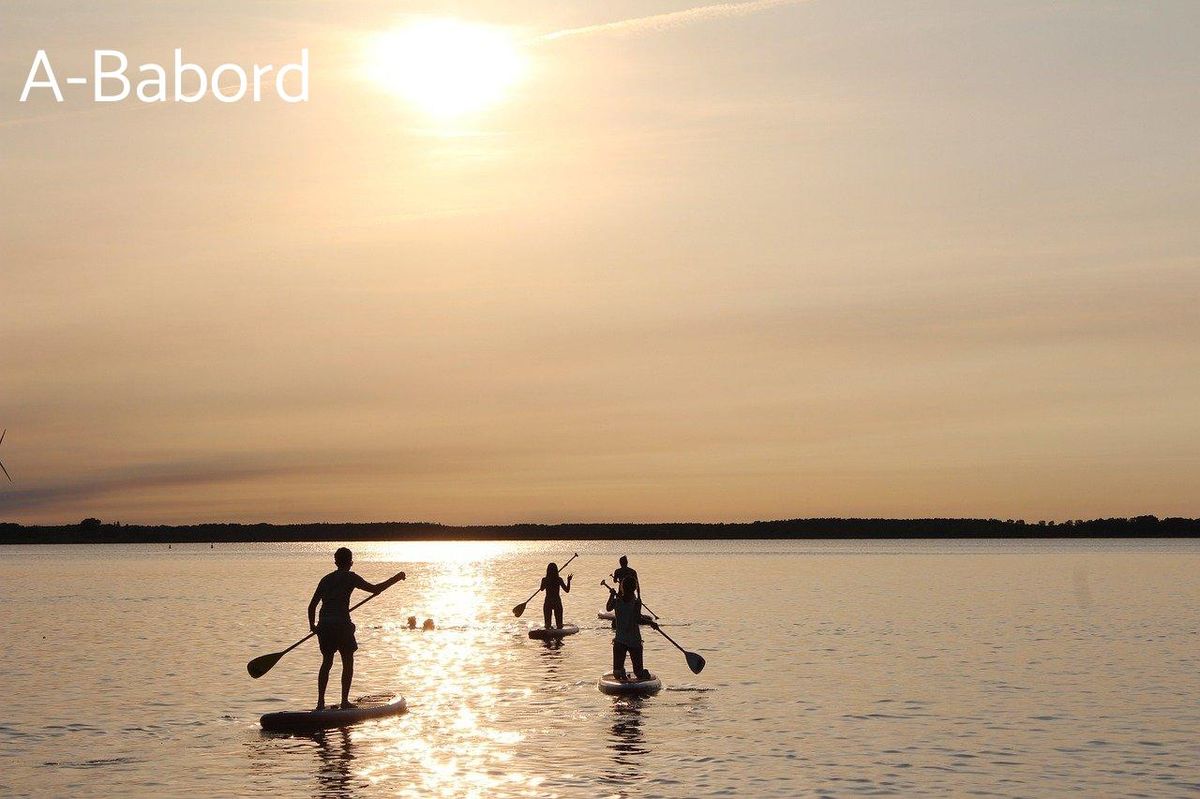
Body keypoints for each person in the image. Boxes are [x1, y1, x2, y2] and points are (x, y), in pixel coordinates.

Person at [307, 547, 404, 710]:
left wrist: (313, 626)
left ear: (336, 562)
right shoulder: (350, 577)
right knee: (347, 661)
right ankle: (344, 701)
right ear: (351, 562)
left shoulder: (325, 579)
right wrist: (396, 578)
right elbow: (376, 589)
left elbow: (312, 606)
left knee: (326, 662)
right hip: (341, 625)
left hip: (324, 625)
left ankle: (320, 703)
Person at [606, 575, 657, 681]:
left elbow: (608, 607)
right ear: (634, 588)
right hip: (633, 640)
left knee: (617, 673)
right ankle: (635, 673)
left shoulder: (617, 601)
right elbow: (637, 619)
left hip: (621, 640)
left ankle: (623, 673)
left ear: (622, 587)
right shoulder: (636, 602)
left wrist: (611, 596)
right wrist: (651, 622)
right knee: (638, 673)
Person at [540, 561, 572, 629]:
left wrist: (546, 582)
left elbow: (541, 589)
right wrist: (568, 581)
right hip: (556, 601)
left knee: (547, 625)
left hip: (548, 602)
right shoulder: (558, 579)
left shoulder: (545, 579)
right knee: (559, 625)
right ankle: (558, 638)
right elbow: (567, 590)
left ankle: (547, 634)